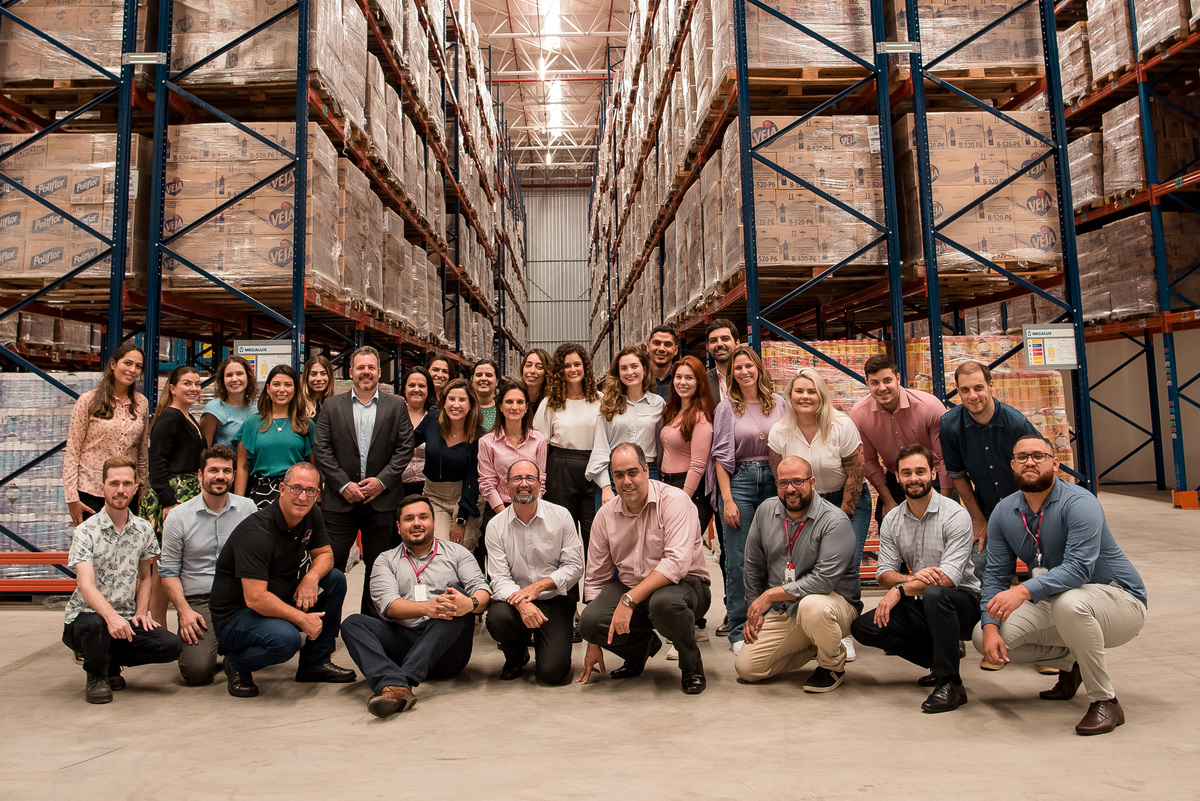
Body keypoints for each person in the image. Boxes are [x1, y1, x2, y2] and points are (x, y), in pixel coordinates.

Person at [973, 434, 1147, 736]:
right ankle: (1072, 663)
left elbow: (1079, 569)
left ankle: (1105, 700)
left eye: (1038, 456)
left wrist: (1023, 590)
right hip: (1058, 601)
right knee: (983, 636)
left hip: (1119, 601)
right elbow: (996, 575)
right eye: (1022, 457)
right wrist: (990, 625)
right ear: (1012, 465)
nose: (1030, 462)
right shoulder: (1004, 512)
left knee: (1070, 604)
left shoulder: (1081, 503)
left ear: (1055, 464)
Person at [849, 445, 981, 713]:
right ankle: (939, 660)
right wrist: (908, 580)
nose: (914, 478)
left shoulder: (955, 515)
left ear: (933, 474)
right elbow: (884, 573)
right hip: (923, 599)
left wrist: (901, 589)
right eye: (906, 473)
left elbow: (948, 578)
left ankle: (951, 683)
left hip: (963, 605)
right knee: (865, 627)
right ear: (897, 477)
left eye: (920, 471)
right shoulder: (893, 519)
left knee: (935, 594)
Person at [209, 462, 355, 698]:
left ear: (317, 493)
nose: (303, 497)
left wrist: (311, 577)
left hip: (278, 596)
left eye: (310, 490)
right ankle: (237, 662)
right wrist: (302, 619)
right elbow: (255, 598)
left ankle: (315, 662)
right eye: (296, 488)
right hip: (237, 615)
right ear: (282, 489)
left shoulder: (310, 514)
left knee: (334, 579)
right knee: (286, 640)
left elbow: (325, 554)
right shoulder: (257, 532)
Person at [340, 495, 492, 718]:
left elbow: (482, 590)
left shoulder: (457, 553)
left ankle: (400, 682)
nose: (417, 523)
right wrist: (427, 608)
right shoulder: (385, 560)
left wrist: (470, 603)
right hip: (403, 642)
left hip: (447, 652)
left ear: (433, 522)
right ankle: (394, 683)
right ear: (399, 526)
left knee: (455, 601)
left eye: (423, 517)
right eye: (409, 519)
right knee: (353, 623)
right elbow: (389, 606)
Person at [577, 443, 711, 695]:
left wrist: (629, 600)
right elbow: (596, 578)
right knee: (590, 621)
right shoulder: (605, 516)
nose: (626, 481)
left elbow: (676, 563)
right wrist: (594, 640)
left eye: (633, 473)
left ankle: (691, 664)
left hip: (685, 586)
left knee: (664, 604)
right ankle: (640, 649)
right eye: (619, 475)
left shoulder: (675, 501)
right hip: (632, 586)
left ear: (646, 471)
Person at [768, 368, 871, 659]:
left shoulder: (842, 424)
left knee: (845, 565)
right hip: (804, 503)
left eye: (811, 391)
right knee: (810, 567)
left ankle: (843, 632)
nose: (805, 396)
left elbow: (856, 472)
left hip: (845, 499)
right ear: (790, 396)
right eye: (799, 391)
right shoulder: (780, 431)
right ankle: (815, 627)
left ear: (822, 395)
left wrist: (842, 516)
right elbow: (780, 477)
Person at [61, 457, 183, 704]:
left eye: (127, 484)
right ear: (102, 488)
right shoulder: (86, 531)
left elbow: (146, 577)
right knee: (97, 625)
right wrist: (111, 617)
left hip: (125, 616)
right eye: (114, 483)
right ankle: (96, 675)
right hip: (85, 619)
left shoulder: (143, 529)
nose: (120, 490)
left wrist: (140, 612)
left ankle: (110, 661)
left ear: (136, 488)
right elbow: (86, 585)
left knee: (171, 645)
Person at [736, 456, 861, 692]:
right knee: (748, 669)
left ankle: (832, 665)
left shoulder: (834, 521)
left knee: (811, 607)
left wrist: (771, 595)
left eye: (797, 481)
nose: (790, 489)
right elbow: (753, 565)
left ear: (812, 482)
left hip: (832, 604)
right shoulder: (765, 511)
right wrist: (755, 609)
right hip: (785, 608)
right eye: (783, 483)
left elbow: (823, 581)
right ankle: (818, 642)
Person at [313, 346, 415, 614]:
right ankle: (325, 628)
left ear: (379, 372)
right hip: (339, 503)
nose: (366, 372)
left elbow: (405, 448)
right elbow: (321, 448)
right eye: (360, 368)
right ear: (351, 372)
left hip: (382, 502)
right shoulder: (332, 405)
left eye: (371, 367)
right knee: (330, 567)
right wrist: (343, 485)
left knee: (378, 568)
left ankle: (370, 627)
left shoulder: (396, 406)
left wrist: (382, 482)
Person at [709, 345, 786, 652]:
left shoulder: (779, 403)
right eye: (737, 368)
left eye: (748, 366)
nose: (744, 372)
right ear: (731, 374)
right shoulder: (727, 408)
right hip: (739, 481)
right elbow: (720, 456)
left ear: (758, 368)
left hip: (775, 481)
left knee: (776, 553)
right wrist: (727, 500)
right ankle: (740, 629)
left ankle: (774, 623)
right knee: (739, 558)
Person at [159, 445, 257, 686]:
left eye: (226, 471)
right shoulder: (178, 517)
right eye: (213, 470)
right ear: (200, 475)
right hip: (199, 602)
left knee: (276, 643)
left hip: (238, 600)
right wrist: (184, 611)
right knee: (196, 673)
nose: (220, 476)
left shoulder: (248, 509)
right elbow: (169, 572)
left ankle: (229, 649)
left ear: (234, 475)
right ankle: (218, 645)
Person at [484, 461, 583, 685]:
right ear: (506, 485)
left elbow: (574, 567)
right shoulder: (496, 526)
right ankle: (517, 657)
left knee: (552, 675)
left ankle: (546, 646)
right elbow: (499, 578)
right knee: (497, 619)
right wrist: (521, 602)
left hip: (554, 599)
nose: (524, 484)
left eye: (530, 478)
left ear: (540, 484)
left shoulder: (561, 516)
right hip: (515, 602)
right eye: (517, 479)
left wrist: (538, 587)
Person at [941, 361, 1038, 573]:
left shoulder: (1017, 424)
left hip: (1028, 509)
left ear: (991, 385)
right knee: (978, 571)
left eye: (978, 388)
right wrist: (977, 520)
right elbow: (957, 475)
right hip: (988, 512)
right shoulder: (950, 425)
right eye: (965, 390)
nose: (972, 396)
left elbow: (1044, 467)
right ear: (958, 391)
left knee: (1044, 570)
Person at [849, 354, 953, 525]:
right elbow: (869, 461)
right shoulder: (859, 415)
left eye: (887, 380)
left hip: (934, 477)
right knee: (889, 526)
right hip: (895, 478)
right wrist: (888, 500)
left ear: (898, 378)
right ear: (867, 383)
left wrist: (945, 501)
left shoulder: (929, 406)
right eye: (875, 383)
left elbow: (945, 458)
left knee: (943, 529)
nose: (882, 388)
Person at [659, 354, 716, 645]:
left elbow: (698, 464)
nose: (682, 382)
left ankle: (693, 622)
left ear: (699, 382)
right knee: (674, 552)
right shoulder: (675, 411)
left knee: (686, 556)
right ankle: (684, 617)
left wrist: (682, 499)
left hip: (689, 491)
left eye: (689, 378)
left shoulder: (701, 416)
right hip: (669, 486)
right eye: (679, 377)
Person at [63, 343, 150, 526]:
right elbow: (73, 451)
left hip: (126, 494)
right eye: (127, 363)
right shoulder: (88, 401)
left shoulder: (141, 403)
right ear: (113, 364)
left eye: (138, 366)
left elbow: (142, 454)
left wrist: (142, 493)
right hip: (91, 491)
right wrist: (71, 497)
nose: (132, 370)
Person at [533, 343, 602, 551]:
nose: (573, 369)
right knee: (563, 536)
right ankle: (566, 575)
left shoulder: (600, 400)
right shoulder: (550, 403)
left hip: (593, 469)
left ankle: (594, 574)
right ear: (559, 371)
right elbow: (539, 445)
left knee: (595, 535)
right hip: (560, 470)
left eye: (577, 364)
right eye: (566, 365)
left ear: (585, 367)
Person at [586, 346, 665, 504]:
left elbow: (662, 444)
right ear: (618, 373)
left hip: (648, 473)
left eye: (634, 366)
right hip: (614, 476)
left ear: (644, 369)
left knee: (649, 519)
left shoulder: (658, 404)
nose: (629, 372)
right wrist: (606, 488)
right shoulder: (608, 405)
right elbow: (600, 447)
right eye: (624, 368)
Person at [414, 378, 483, 549]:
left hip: (465, 494)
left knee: (461, 546)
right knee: (441, 547)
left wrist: (461, 519)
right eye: (451, 399)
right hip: (434, 494)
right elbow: (408, 442)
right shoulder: (432, 419)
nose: (456, 405)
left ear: (471, 405)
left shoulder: (479, 436)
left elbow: (472, 480)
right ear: (444, 402)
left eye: (462, 400)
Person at [140, 365, 206, 539]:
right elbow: (157, 464)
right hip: (175, 496)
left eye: (197, 384)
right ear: (172, 389)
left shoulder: (187, 417)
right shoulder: (170, 418)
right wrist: (168, 502)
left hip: (189, 493)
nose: (193, 388)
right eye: (187, 383)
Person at [234, 365, 313, 508]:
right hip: (261, 494)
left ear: (295, 389)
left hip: (297, 494)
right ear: (268, 388)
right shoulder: (252, 424)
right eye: (276, 384)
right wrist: (238, 503)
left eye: (288, 385)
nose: (282, 389)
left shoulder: (306, 424)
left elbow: (315, 467)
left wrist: (318, 501)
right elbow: (242, 466)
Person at [478, 383, 548, 517]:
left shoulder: (539, 440)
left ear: (526, 407)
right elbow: (487, 484)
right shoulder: (486, 442)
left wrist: (531, 512)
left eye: (520, 402)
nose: (514, 407)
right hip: (498, 510)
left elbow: (540, 480)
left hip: (531, 509)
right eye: (509, 402)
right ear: (500, 406)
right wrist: (505, 515)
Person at [200, 355, 258, 448]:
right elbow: (204, 450)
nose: (234, 379)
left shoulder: (257, 409)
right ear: (222, 379)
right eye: (229, 375)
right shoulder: (214, 409)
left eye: (239, 374)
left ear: (248, 377)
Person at [402, 367, 435, 497]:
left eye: (421, 386)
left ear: (428, 390)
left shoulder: (436, 418)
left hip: (429, 489)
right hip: (398, 487)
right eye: (411, 385)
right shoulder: (394, 415)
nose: (416, 389)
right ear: (404, 389)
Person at [705, 318, 739, 403]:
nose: (719, 344)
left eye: (725, 339)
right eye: (713, 341)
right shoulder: (703, 382)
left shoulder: (756, 376)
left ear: (737, 343)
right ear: (708, 347)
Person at [518, 348, 552, 427]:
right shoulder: (514, 399)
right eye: (528, 365)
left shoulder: (552, 402)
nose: (532, 371)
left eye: (539, 367)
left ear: (547, 372)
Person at [647, 325, 679, 399]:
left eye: (667, 344)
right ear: (648, 347)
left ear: (675, 350)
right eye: (657, 343)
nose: (661, 349)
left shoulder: (682, 380)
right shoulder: (638, 380)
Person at [300, 355, 336, 419]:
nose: (318, 378)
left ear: (330, 377)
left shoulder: (336, 405)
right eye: (313, 374)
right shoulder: (298, 405)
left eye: (323, 374)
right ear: (306, 377)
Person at [471, 359, 500, 432]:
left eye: (488, 375)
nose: (483, 378)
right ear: (472, 379)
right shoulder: (465, 407)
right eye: (479, 375)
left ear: (496, 381)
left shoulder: (503, 409)